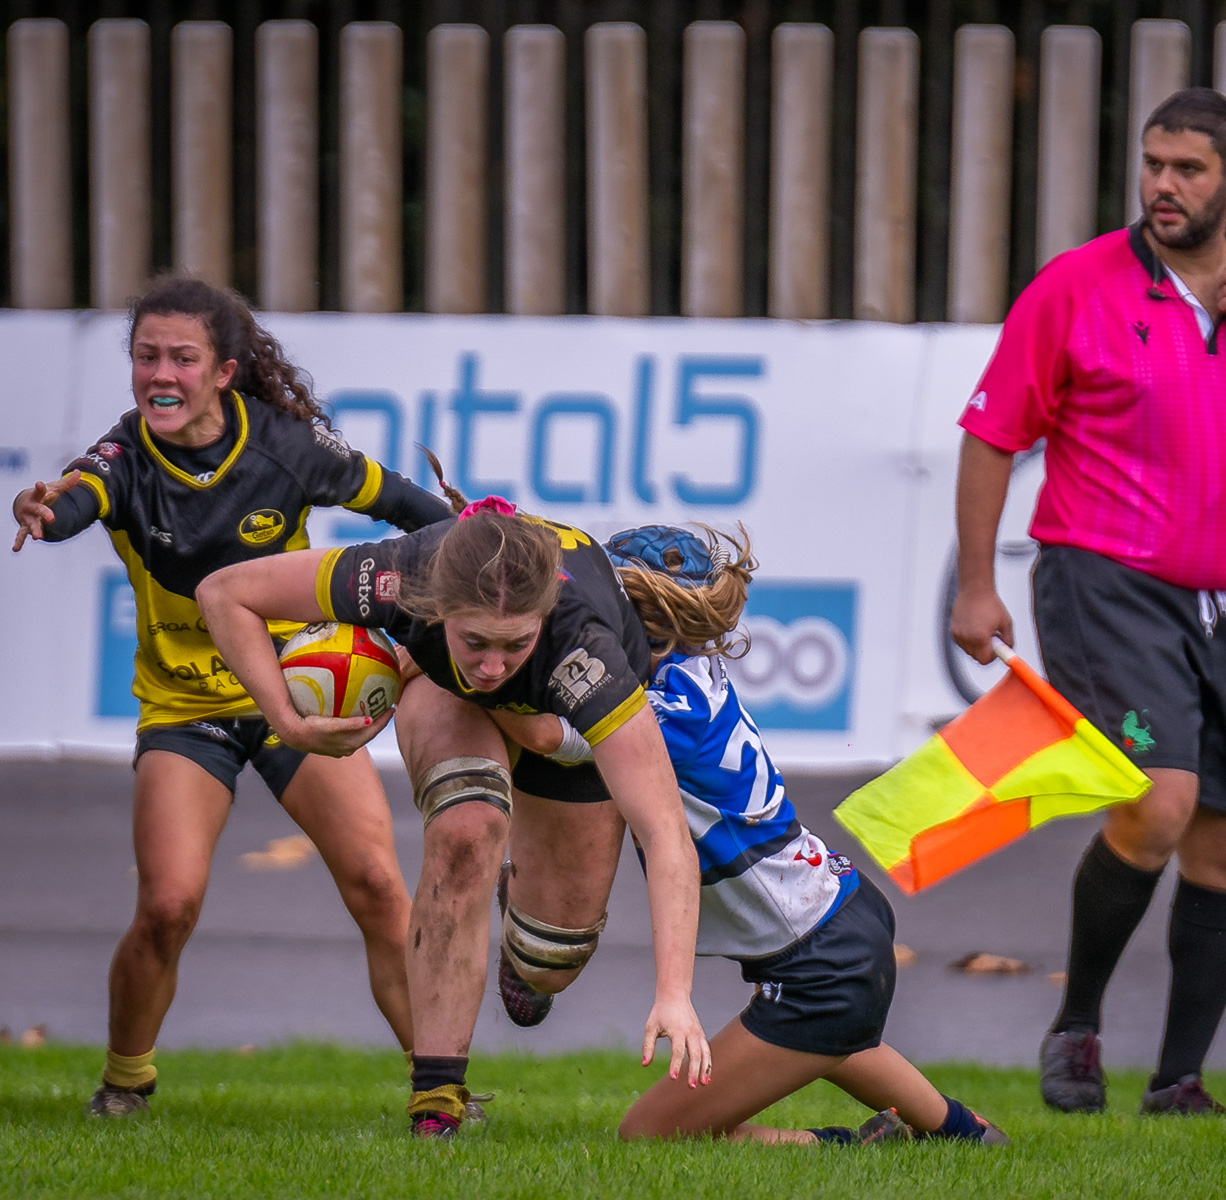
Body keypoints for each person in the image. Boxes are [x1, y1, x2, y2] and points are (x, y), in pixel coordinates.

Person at [950, 87, 1226, 1117]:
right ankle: (1078, 1027)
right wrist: (977, 584)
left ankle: (1179, 1080)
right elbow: (990, 434)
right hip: (1105, 580)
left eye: (1188, 170)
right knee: (1159, 800)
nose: (1163, 186)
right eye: (1153, 164)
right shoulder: (1074, 287)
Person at [9, 274, 449, 1117]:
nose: (160, 375)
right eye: (145, 357)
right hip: (185, 709)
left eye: (182, 357)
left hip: (299, 689)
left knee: (377, 885)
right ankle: (126, 1078)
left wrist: (474, 543)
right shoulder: (122, 457)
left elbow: (398, 501)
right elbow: (72, 502)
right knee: (167, 907)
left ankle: (441, 1089)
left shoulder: (285, 444)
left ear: (223, 371)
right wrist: (39, 510)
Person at [195, 490, 711, 1139]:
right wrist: (287, 721)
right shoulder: (396, 575)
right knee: (468, 829)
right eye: (475, 641)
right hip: (444, 692)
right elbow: (224, 593)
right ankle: (436, 1099)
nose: (493, 665)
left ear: (543, 618)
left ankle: (516, 895)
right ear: (436, 607)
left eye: (513, 643)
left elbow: (665, 833)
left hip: (561, 728)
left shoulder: (589, 652)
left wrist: (675, 993)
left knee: (549, 961)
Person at [492, 523, 1006, 1146]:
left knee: (648, 1138)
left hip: (823, 956)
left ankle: (841, 1147)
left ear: (640, 622)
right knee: (830, 1039)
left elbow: (546, 735)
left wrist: (463, 667)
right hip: (840, 920)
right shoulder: (686, 666)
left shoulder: (655, 712)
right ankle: (959, 1133)